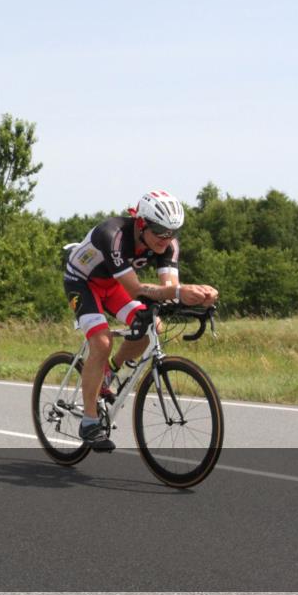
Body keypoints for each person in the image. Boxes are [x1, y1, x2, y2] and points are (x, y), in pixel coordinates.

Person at [63, 190, 218, 452]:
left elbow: (169, 289)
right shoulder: (112, 234)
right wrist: (180, 292)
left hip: (113, 285)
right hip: (83, 282)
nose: (166, 238)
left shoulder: (168, 244)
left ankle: (109, 372)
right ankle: (89, 422)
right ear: (142, 223)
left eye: (173, 232)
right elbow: (136, 290)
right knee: (101, 341)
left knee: (152, 326)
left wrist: (199, 297)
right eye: (159, 230)